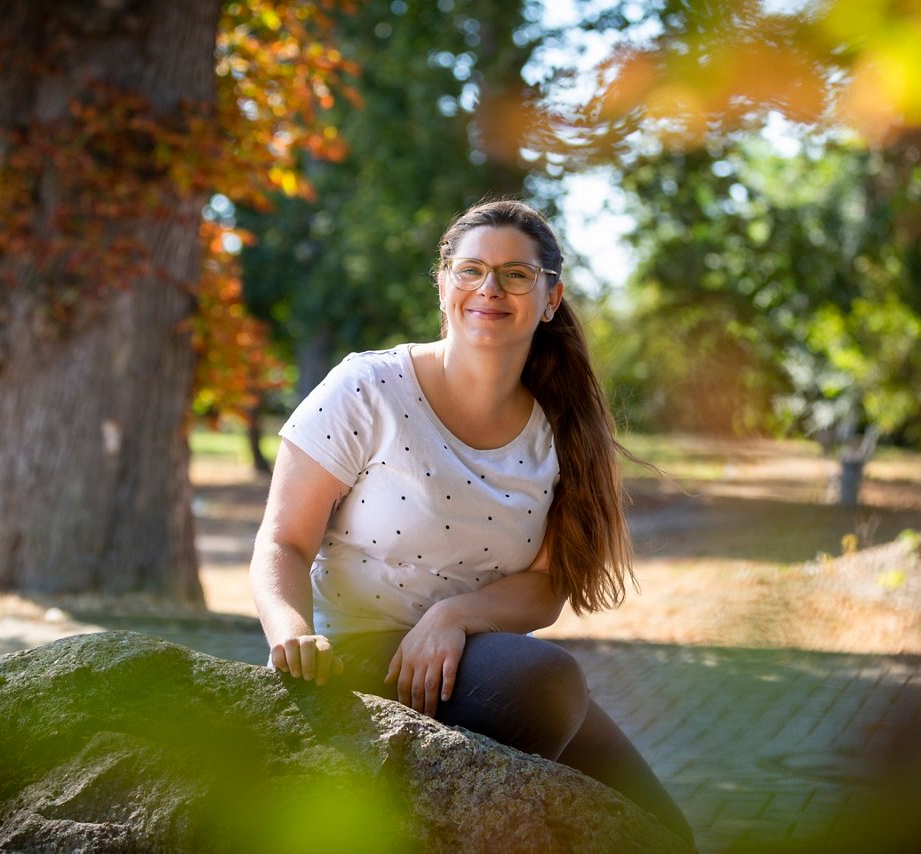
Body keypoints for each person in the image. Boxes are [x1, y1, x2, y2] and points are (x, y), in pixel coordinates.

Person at [249, 199, 694, 846]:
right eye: (471, 269)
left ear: (550, 298)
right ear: (443, 282)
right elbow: (283, 541)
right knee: (547, 681)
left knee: (665, 833)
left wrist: (455, 616)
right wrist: (289, 631)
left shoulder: (559, 431)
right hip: (359, 657)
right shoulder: (366, 389)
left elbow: (548, 585)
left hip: (476, 659)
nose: (490, 288)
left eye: (517, 275)